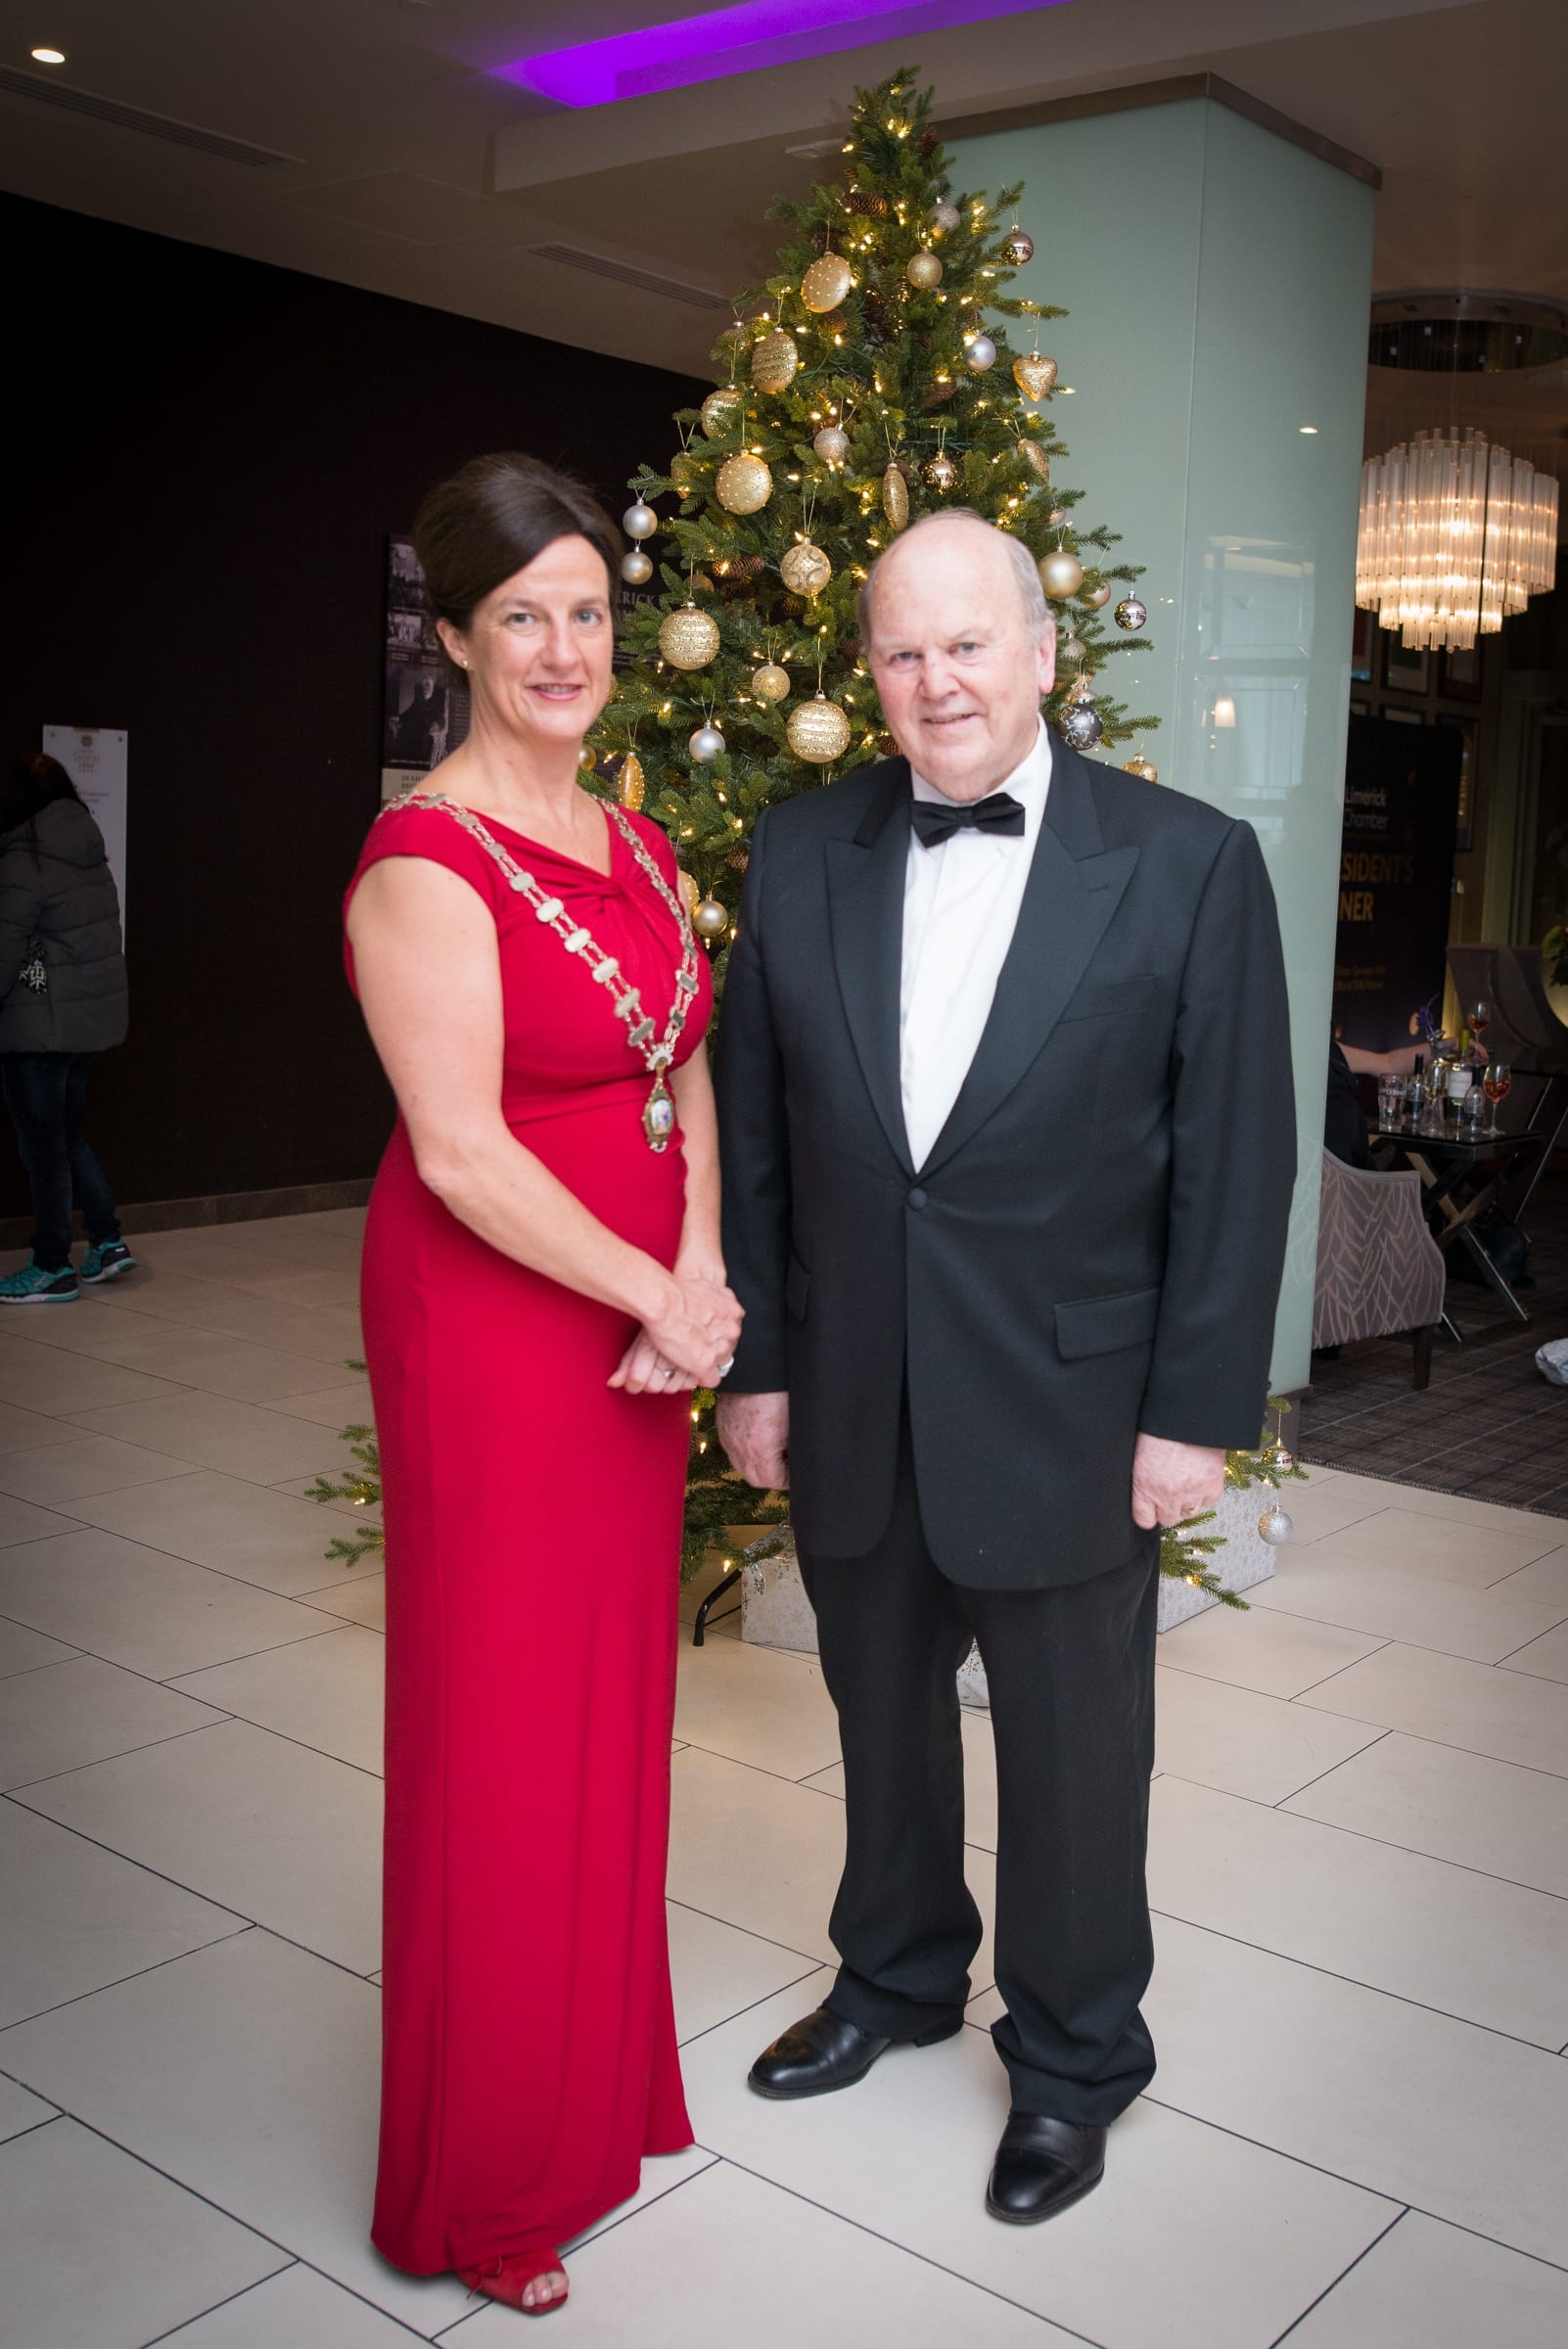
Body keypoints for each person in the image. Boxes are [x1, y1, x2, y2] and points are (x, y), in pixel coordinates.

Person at [715, 509, 1294, 2226]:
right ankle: (893, 1980)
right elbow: (753, 1139)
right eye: (899, 649)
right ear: (869, 674)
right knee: (878, 1723)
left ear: (1042, 654)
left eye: (967, 642)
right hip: (859, 1399)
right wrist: (762, 1361)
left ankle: (1071, 2061)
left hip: (1070, 1404)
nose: (934, 680)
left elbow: (1235, 1154)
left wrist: (1195, 1413)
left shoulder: (1185, 862)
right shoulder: (799, 848)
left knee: (1070, 1758)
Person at [344, 454, 742, 2316]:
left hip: (639, 1322)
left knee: (607, 1703)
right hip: (499, 1328)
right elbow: (464, 1158)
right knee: (502, 1728)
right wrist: (652, 1290)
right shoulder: (420, 862)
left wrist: (709, 1278)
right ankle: (486, 2181)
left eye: (589, 610)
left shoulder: (634, 836)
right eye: (527, 617)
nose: (567, 647)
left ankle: (597, 2091)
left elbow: (685, 1067)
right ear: (456, 638)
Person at [0, 753, 133, 1302]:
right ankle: (107, 1241)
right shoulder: (86, 846)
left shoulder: (24, 855)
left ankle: (52, 1265)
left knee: (44, 1150)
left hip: (38, 1025)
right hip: (85, 1023)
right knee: (68, 1136)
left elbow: (5, 947)